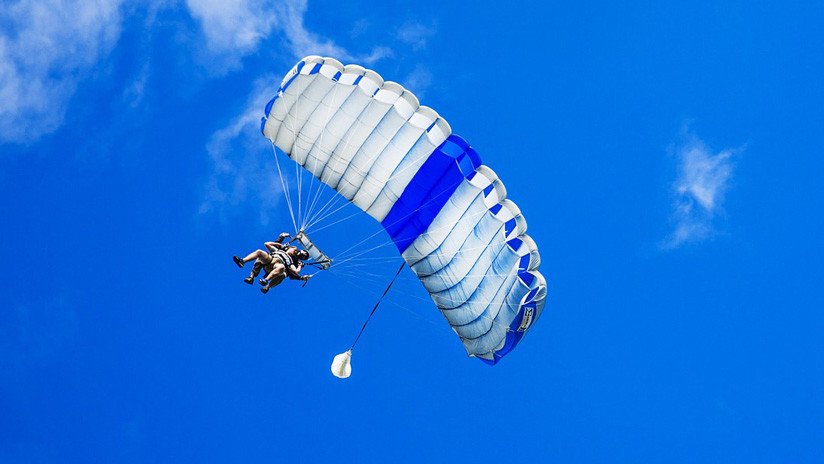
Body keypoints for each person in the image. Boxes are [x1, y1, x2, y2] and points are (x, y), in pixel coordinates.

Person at [233, 233, 311, 293]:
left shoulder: (294, 262)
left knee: (282, 270)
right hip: (271, 259)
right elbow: (267, 244)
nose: (298, 253)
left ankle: (266, 282)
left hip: (277, 267)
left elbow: (294, 273)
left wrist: (301, 274)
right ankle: (243, 262)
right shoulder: (281, 249)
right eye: (302, 253)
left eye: (303, 256)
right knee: (260, 252)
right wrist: (281, 237)